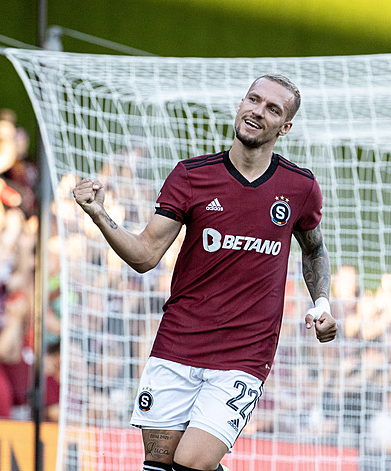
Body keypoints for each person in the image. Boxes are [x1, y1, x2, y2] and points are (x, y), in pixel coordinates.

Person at [72, 74, 338, 471]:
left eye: (272, 109)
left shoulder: (299, 186)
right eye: (253, 99)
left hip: (243, 355)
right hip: (176, 345)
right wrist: (98, 214)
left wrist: (322, 303)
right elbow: (145, 256)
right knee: (159, 468)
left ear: (285, 127)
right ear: (240, 103)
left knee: (192, 464)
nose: (257, 111)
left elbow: (314, 249)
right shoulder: (191, 176)